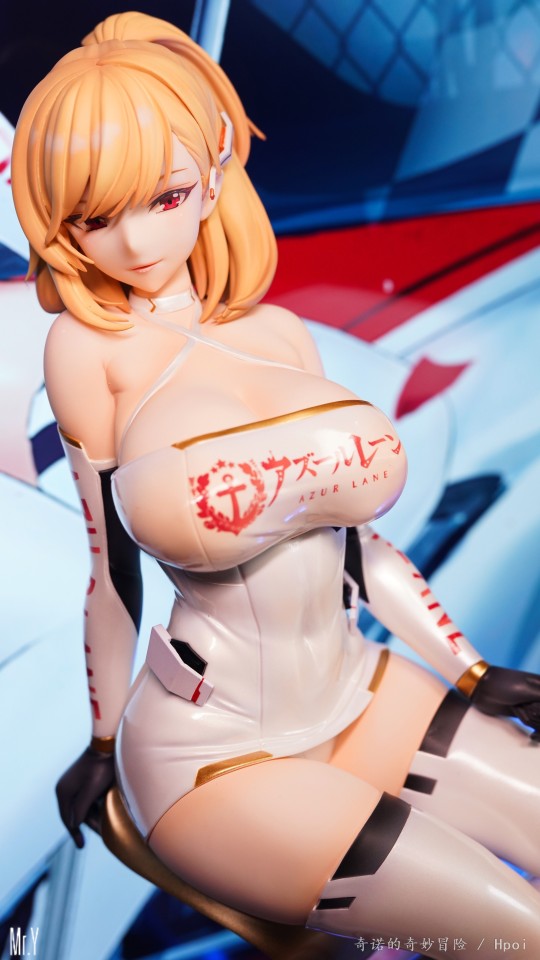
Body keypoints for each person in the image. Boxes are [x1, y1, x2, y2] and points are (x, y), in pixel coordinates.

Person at [11, 13, 540, 958]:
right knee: (517, 934)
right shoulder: (89, 353)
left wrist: (469, 668)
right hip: (215, 756)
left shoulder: (281, 334)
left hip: (359, 687)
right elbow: (111, 577)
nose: (134, 239)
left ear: (214, 167)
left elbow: (358, 550)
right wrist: (97, 746)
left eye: (164, 196)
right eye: (94, 216)